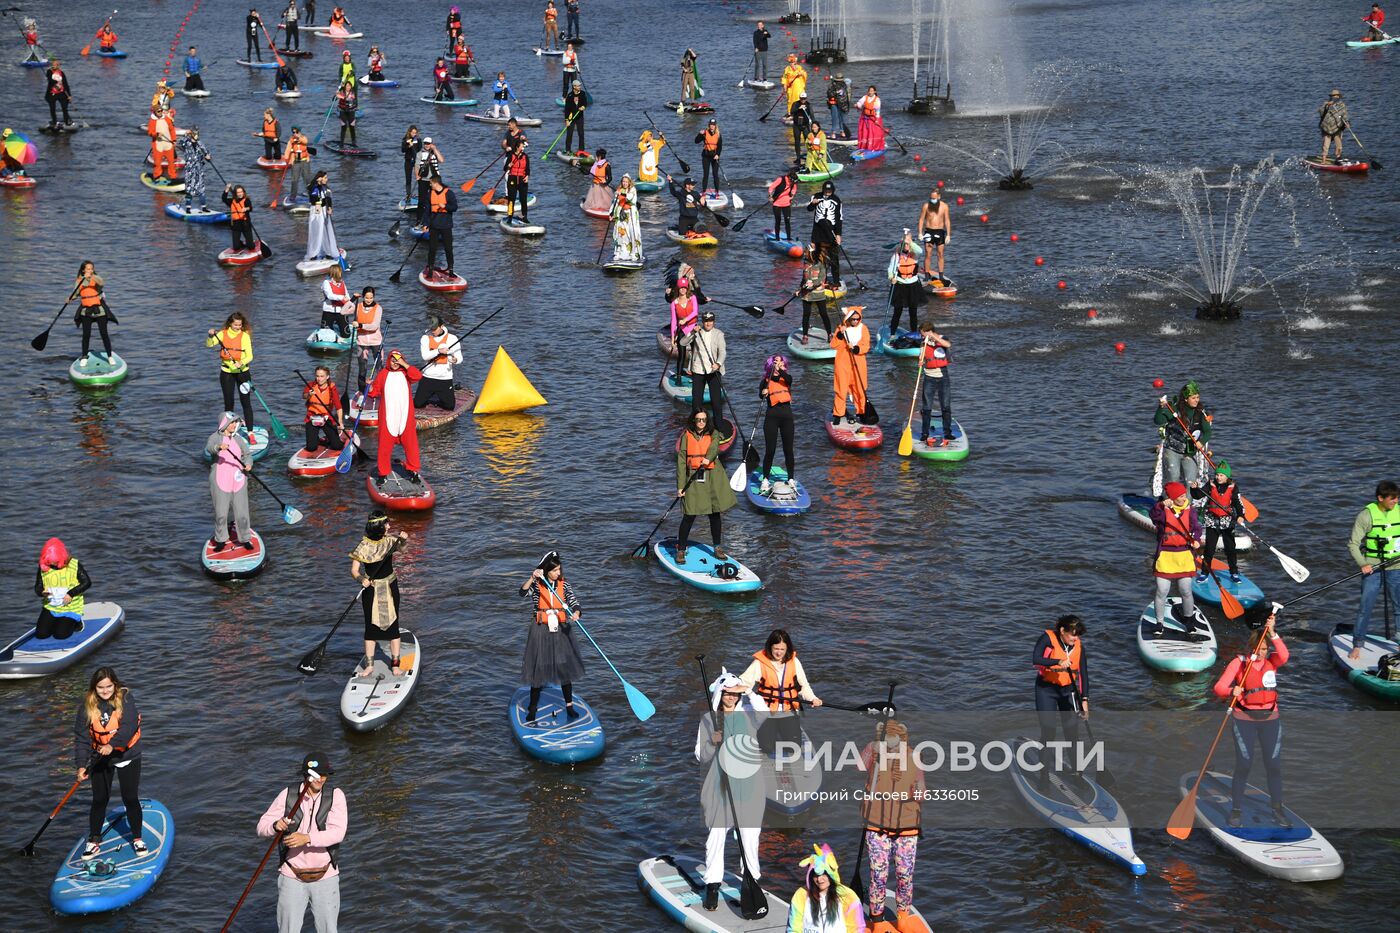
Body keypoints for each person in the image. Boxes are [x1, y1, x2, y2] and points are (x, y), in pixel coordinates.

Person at [695, 671, 768, 911]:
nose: (730, 698)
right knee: (716, 835)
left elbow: (765, 712)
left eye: (734, 694)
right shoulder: (709, 719)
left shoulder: (749, 714)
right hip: (720, 783)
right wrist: (712, 741)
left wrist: (747, 690)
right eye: (726, 694)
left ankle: (751, 881)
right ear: (719, 694)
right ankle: (713, 886)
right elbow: (701, 756)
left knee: (750, 836)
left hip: (749, 782)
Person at [1212, 610, 1289, 828]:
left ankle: (1277, 810)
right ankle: (1236, 810)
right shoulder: (1239, 664)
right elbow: (1218, 688)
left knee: (1273, 765)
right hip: (1244, 719)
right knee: (1244, 764)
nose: (1263, 653)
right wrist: (1232, 691)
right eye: (1259, 649)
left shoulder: (1273, 662)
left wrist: (1273, 633)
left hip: (1270, 719)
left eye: (1265, 649)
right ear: (1251, 648)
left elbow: (1284, 656)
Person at [256, 754, 347, 933]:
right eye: (315, 774)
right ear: (305, 775)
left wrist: (307, 838)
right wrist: (276, 826)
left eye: (324, 774)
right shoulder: (287, 794)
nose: (320, 779)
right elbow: (261, 827)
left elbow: (338, 833)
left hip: (326, 876)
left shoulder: (336, 796)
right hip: (291, 876)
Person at [860, 719, 925, 929]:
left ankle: (903, 916)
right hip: (877, 827)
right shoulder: (874, 752)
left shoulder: (914, 756)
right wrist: (872, 748)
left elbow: (922, 789)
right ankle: (877, 919)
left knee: (905, 875)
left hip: (906, 827)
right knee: (877, 875)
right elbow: (859, 765)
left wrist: (918, 792)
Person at [74, 667, 144, 860]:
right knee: (99, 800)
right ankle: (94, 840)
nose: (105, 691)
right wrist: (81, 765)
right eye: (100, 687)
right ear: (94, 688)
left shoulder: (126, 700)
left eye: (109, 686)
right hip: (100, 758)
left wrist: (112, 746)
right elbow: (81, 738)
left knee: (130, 798)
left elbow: (129, 727)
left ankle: (137, 838)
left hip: (127, 755)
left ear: (115, 684)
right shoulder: (87, 706)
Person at [518, 551, 587, 723]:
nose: (558, 573)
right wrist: (532, 577)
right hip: (540, 629)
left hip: (561, 629)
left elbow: (574, 602)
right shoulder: (536, 584)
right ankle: (532, 709)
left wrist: (577, 612)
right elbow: (521, 592)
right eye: (555, 570)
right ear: (547, 570)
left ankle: (569, 707)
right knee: (539, 669)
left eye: (559, 570)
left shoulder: (563, 585)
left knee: (564, 668)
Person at [1032, 614, 1089, 790]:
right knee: (1048, 733)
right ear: (1062, 631)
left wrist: (1084, 700)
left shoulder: (1078, 646)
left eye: (1078, 635)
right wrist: (1058, 661)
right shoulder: (1047, 638)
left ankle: (1077, 774)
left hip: (1068, 692)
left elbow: (1085, 675)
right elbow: (1036, 659)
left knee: (1072, 735)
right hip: (1046, 691)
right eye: (1073, 634)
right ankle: (1044, 776)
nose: (1076, 638)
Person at [739, 629, 821, 751]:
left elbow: (804, 686)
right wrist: (731, 688)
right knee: (766, 747)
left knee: (793, 747)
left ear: (787, 648)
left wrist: (813, 698)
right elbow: (744, 682)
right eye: (776, 649)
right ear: (770, 647)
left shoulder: (794, 662)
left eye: (782, 649)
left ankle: (783, 731)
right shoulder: (759, 663)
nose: (779, 653)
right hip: (767, 712)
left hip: (789, 711)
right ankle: (768, 733)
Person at [349, 510, 408, 674]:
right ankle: (369, 666)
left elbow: (403, 550)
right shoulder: (363, 546)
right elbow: (354, 570)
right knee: (370, 629)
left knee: (393, 627)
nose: (389, 526)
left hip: (390, 587)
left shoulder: (390, 541)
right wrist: (361, 579)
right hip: (371, 590)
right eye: (387, 524)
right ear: (379, 527)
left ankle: (395, 666)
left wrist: (403, 540)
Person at [1347, 480, 1400, 659]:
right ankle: (1357, 645)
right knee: (1365, 607)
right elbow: (1353, 544)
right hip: (1373, 569)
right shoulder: (1366, 516)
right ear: (1380, 498)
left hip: (1396, 566)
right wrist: (1363, 563)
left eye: (1397, 498)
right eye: (1392, 499)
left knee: (1399, 607)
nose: (1396, 502)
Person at [676, 410, 736, 561]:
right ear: (693, 421)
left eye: (703, 420)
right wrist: (680, 486)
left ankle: (717, 547)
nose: (701, 423)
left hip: (712, 477)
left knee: (714, 513)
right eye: (698, 420)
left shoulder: (714, 433)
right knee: (689, 514)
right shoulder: (686, 436)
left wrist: (707, 459)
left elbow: (714, 447)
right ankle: (681, 549)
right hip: (694, 477)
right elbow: (682, 461)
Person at [1150, 482, 1203, 634]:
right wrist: (1160, 506)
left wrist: (1197, 538)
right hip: (1165, 557)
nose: (1183, 498)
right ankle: (1159, 623)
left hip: (1184, 556)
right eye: (1179, 496)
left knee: (1186, 590)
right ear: (1172, 498)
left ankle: (1189, 621)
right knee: (1162, 591)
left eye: (1184, 495)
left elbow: (1196, 528)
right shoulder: (1163, 510)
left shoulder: (1190, 510)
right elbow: (1153, 517)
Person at [366, 350, 423, 486]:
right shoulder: (383, 374)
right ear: (388, 361)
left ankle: (413, 471)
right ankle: (383, 473)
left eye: (398, 360)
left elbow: (418, 376)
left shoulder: (406, 373)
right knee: (384, 447)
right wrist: (369, 387)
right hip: (388, 417)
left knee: (411, 445)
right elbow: (374, 392)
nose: (395, 363)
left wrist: (405, 364)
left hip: (405, 416)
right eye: (393, 360)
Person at [788, 844, 865, 932]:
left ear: (831, 873)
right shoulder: (801, 894)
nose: (820, 880)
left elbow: (856, 929)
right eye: (815, 875)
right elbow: (794, 928)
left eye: (824, 874)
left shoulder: (848, 896)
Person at [206, 412, 254, 550]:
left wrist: (249, 464)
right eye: (231, 422)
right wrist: (218, 447)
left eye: (235, 423)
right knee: (221, 514)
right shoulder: (215, 438)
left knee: (242, 513)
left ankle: (245, 538)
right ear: (224, 424)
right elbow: (209, 448)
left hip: (238, 480)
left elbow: (247, 455)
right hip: (220, 480)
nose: (234, 425)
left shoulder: (238, 439)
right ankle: (221, 539)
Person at [1192, 461, 1244, 584]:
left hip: (1227, 521)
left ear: (1227, 477)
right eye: (1217, 475)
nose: (1218, 477)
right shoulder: (1210, 485)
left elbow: (1238, 503)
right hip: (1212, 519)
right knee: (1209, 549)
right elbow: (1198, 495)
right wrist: (1194, 489)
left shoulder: (1233, 487)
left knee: (1230, 548)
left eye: (1221, 475)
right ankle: (1204, 573)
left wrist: (1241, 515)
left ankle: (1234, 573)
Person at [1154, 381, 1212, 488]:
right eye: (1193, 398)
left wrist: (1202, 442)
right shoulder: (1174, 408)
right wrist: (1161, 407)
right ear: (1186, 399)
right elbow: (1158, 420)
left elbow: (1208, 431)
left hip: (1190, 452)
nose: (1196, 400)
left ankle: (1187, 504)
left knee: (1191, 483)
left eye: (1198, 397)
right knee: (1174, 478)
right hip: (1172, 449)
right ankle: (1168, 501)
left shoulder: (1201, 412)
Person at [34, 537, 90, 640]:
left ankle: (77, 623)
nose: (51, 564)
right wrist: (42, 592)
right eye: (49, 562)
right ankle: (56, 622)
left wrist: (71, 593)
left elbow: (87, 583)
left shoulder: (74, 565)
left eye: (54, 562)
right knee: (41, 634)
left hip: (70, 607)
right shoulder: (44, 567)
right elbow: (37, 587)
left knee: (60, 635)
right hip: (51, 607)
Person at [206, 312, 257, 427]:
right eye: (235, 325)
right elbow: (209, 345)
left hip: (242, 373)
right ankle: (228, 430)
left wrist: (241, 362)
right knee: (229, 404)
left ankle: (250, 432)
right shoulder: (222, 334)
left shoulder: (245, 336)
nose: (238, 327)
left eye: (240, 325)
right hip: (226, 373)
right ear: (230, 323)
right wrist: (210, 336)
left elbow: (250, 356)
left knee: (246, 403)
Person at [757, 355, 796, 496]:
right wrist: (763, 393)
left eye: (780, 362)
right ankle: (765, 479)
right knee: (770, 450)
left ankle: (791, 478)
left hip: (787, 417)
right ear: (770, 365)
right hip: (771, 417)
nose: (777, 364)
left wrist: (781, 370)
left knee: (788, 450)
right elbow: (760, 395)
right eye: (775, 362)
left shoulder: (786, 378)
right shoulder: (765, 381)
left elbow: (789, 380)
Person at [681, 309, 726, 427]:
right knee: (696, 402)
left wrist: (718, 363)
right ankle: (694, 426)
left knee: (716, 403)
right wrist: (691, 332)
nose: (708, 323)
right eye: (706, 321)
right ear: (702, 321)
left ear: (714, 321)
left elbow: (722, 352)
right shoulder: (697, 332)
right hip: (698, 370)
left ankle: (719, 428)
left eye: (710, 321)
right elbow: (682, 343)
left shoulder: (719, 334)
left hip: (714, 371)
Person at [831, 306, 871, 425]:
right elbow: (833, 345)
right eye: (853, 319)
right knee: (841, 389)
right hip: (843, 362)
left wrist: (857, 349)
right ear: (848, 318)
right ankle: (838, 414)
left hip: (858, 362)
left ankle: (862, 413)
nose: (855, 321)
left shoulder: (863, 329)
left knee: (860, 389)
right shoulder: (841, 328)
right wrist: (839, 335)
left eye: (857, 319)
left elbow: (866, 346)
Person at [73, 261, 116, 365]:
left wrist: (91, 276)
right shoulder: (79, 280)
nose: (90, 270)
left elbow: (101, 283)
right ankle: (84, 356)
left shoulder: (96, 278)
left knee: (104, 334)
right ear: (83, 270)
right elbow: (75, 294)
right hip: (86, 311)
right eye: (88, 269)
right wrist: (70, 299)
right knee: (86, 335)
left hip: (99, 310)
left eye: (92, 269)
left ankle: (110, 356)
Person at [918, 323, 953, 448]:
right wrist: (920, 361)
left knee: (946, 405)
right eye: (922, 335)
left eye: (924, 334)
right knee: (927, 407)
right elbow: (921, 356)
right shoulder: (923, 343)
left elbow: (947, 345)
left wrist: (933, 336)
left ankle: (947, 432)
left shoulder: (943, 338)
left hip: (943, 376)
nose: (923, 337)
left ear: (930, 331)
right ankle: (925, 433)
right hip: (929, 377)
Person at [416, 315, 461, 410]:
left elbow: (459, 358)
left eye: (435, 329)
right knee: (418, 404)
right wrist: (439, 351)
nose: (433, 331)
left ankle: (440, 397)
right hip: (428, 377)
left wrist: (455, 360)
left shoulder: (452, 339)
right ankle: (431, 396)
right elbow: (425, 356)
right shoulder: (425, 338)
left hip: (444, 378)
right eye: (431, 328)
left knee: (449, 407)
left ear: (441, 326)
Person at [302, 365, 345, 453]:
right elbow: (304, 396)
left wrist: (340, 422)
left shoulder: (331, 388)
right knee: (311, 448)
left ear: (327, 377)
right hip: (312, 418)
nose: (319, 379)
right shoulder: (311, 385)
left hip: (326, 418)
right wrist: (309, 395)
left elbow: (338, 407)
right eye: (317, 376)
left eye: (322, 376)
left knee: (337, 446)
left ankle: (332, 439)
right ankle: (316, 439)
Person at [886, 233, 924, 334]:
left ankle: (914, 333)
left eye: (908, 244)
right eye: (905, 244)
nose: (906, 246)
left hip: (913, 285)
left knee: (913, 312)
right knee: (897, 312)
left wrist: (909, 241)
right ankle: (892, 333)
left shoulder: (915, 253)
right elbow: (890, 268)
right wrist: (891, 278)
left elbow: (921, 250)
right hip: (900, 285)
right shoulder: (896, 255)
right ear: (901, 244)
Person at [808, 181, 843, 285]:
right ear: (823, 189)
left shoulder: (837, 200)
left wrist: (838, 234)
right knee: (817, 257)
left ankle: (836, 281)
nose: (828, 192)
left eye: (830, 191)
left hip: (831, 233)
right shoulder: (816, 196)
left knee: (834, 258)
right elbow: (809, 209)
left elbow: (839, 218)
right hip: (818, 232)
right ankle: (820, 280)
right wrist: (812, 203)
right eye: (826, 190)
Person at [351, 286, 384, 395]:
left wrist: (360, 325)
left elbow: (374, 326)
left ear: (373, 297)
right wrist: (352, 299)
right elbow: (343, 311)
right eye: (366, 298)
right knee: (362, 369)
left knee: (379, 366)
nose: (369, 300)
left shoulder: (378, 308)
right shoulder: (358, 306)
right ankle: (361, 391)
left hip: (376, 342)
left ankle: (381, 389)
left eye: (371, 298)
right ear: (363, 297)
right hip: (361, 342)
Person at [424, 175, 458, 278]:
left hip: (446, 225)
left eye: (430, 183)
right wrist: (425, 224)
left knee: (448, 248)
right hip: (434, 225)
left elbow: (455, 207)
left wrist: (445, 206)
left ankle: (450, 269)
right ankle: (430, 269)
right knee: (432, 248)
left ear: (435, 183)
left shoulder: (449, 193)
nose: (429, 185)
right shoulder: (430, 194)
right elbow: (427, 211)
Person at [798, 246, 834, 340]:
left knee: (823, 314)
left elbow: (821, 279)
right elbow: (803, 279)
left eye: (806, 252)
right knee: (806, 314)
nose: (805, 254)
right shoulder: (805, 264)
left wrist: (812, 284)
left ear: (811, 254)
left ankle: (829, 334)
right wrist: (799, 289)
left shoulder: (821, 265)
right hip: (807, 295)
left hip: (819, 295)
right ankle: (805, 335)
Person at [305, 170, 340, 267]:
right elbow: (313, 197)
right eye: (325, 178)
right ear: (319, 178)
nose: (327, 179)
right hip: (316, 211)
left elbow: (328, 198)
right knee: (316, 231)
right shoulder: (314, 187)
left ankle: (329, 252)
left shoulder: (326, 188)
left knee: (326, 231)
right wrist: (317, 183)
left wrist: (330, 207)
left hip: (324, 210)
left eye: (326, 178)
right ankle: (313, 254)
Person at [917, 187, 951, 279]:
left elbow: (947, 221)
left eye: (934, 198)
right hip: (929, 231)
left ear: (939, 197)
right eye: (931, 198)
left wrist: (948, 235)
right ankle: (927, 275)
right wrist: (920, 233)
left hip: (940, 232)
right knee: (928, 254)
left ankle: (941, 275)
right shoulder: (926, 206)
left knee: (940, 254)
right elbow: (921, 220)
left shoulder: (944, 206)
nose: (932, 200)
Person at [669, 277, 701, 373]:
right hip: (682, 330)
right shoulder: (674, 303)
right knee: (681, 355)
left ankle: (696, 374)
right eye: (681, 288)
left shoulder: (692, 298)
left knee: (696, 353)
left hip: (693, 328)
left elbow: (695, 312)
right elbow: (674, 321)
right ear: (678, 289)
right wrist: (672, 337)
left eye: (684, 287)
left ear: (687, 288)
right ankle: (679, 377)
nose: (683, 289)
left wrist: (685, 320)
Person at [176, 127, 212, 211]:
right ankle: (188, 207)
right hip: (190, 169)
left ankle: (204, 207)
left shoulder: (200, 143)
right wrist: (186, 134)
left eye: (197, 134)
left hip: (199, 168)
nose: (196, 135)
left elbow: (206, 152)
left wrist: (208, 156)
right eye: (195, 133)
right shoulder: (186, 142)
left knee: (201, 188)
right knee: (189, 187)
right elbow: (180, 142)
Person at [610, 174, 643, 264]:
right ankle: (618, 253)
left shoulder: (632, 190)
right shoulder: (619, 190)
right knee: (620, 232)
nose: (624, 183)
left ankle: (633, 253)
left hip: (631, 214)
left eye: (626, 182)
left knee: (632, 233)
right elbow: (614, 203)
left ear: (629, 183)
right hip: (621, 214)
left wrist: (620, 193)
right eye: (623, 182)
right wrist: (611, 213)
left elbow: (629, 197)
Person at [414, 136, 443, 229]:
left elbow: (442, 160)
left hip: (435, 181)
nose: (427, 145)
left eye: (428, 143)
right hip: (423, 180)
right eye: (425, 143)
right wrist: (417, 176)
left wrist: (435, 149)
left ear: (431, 144)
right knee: (422, 201)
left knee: (436, 200)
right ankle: (419, 221)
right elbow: (416, 166)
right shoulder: (419, 154)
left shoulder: (435, 152)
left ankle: (435, 220)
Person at [147, 106, 178, 185]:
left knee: (171, 162)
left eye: (161, 111)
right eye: (158, 111)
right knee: (157, 162)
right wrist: (156, 134)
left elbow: (172, 130)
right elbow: (150, 132)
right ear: (155, 112)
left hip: (168, 144)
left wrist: (174, 140)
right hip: (158, 144)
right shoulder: (152, 121)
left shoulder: (167, 119)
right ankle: (157, 177)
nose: (160, 112)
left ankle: (173, 177)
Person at [223, 184, 256, 254]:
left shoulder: (247, 200)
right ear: (235, 193)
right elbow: (224, 199)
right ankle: (240, 243)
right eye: (238, 192)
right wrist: (227, 189)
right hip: (235, 225)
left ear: (243, 192)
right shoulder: (232, 201)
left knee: (251, 247)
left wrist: (246, 208)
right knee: (236, 247)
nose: (240, 194)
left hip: (245, 224)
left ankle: (249, 242)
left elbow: (250, 207)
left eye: (241, 192)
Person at [1318, 89, 1349, 163]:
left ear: (1339, 96)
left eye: (1336, 96)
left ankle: (1338, 159)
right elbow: (1320, 112)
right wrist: (1327, 106)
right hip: (1327, 127)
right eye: (1333, 96)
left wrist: (1347, 123)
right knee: (1326, 145)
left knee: (1339, 145)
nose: (1335, 97)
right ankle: (1323, 161)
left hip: (1337, 128)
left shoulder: (1342, 105)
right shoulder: (1326, 104)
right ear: (1331, 96)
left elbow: (1345, 115)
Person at [320, 265, 352, 337]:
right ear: (336, 273)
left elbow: (347, 295)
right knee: (325, 333)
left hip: (342, 311)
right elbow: (330, 295)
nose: (342, 273)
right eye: (340, 272)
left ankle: (343, 336)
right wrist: (342, 298)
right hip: (329, 311)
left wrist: (349, 302)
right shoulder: (326, 283)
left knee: (346, 334)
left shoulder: (342, 283)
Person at [505, 138, 532, 224]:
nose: (523, 148)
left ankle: (525, 216)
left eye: (523, 146)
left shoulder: (525, 156)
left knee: (523, 199)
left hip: (522, 180)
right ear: (517, 147)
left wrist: (527, 176)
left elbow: (527, 169)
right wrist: (508, 166)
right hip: (512, 180)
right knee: (511, 200)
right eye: (521, 146)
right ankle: (510, 217)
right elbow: (505, 168)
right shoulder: (511, 156)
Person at [283, 126, 312, 201]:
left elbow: (305, 142)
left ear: (299, 132)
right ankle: (293, 195)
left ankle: (310, 193)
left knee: (307, 178)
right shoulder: (291, 141)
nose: (295, 134)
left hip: (305, 160)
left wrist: (299, 138)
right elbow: (287, 151)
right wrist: (287, 160)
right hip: (296, 161)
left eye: (296, 132)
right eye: (293, 132)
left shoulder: (303, 138)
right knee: (294, 179)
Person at [768, 168, 797, 241]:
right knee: (778, 220)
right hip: (777, 203)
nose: (792, 183)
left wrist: (792, 196)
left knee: (787, 221)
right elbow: (771, 188)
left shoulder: (793, 182)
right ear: (789, 177)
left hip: (786, 204)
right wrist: (770, 196)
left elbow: (794, 189)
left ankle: (789, 238)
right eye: (791, 181)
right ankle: (777, 238)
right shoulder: (781, 179)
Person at [582, 146, 613, 214]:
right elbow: (587, 173)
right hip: (595, 185)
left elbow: (610, 178)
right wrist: (580, 167)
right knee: (595, 200)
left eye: (596, 156)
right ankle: (594, 206)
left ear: (599, 157)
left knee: (604, 201)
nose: (595, 158)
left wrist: (605, 183)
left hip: (603, 186)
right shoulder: (595, 164)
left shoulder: (607, 166)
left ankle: (606, 209)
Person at [695, 119, 722, 195]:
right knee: (705, 174)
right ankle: (704, 192)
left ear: (715, 125)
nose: (712, 126)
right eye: (710, 124)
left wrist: (718, 155)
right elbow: (696, 141)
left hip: (714, 157)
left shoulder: (718, 135)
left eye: (713, 124)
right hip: (706, 157)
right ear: (708, 125)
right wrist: (699, 134)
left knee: (715, 174)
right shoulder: (704, 133)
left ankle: (717, 192)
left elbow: (720, 147)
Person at [856, 85, 883, 152]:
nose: (870, 92)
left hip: (873, 119)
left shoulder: (877, 100)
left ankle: (872, 146)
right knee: (864, 132)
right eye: (869, 91)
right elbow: (859, 103)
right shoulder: (865, 97)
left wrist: (877, 119)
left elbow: (878, 111)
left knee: (872, 133)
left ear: (874, 91)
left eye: (872, 91)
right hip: (864, 118)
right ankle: (864, 146)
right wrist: (857, 105)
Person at [790, 92, 815, 166]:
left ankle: (809, 156)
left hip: (805, 126)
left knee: (807, 141)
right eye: (801, 99)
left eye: (804, 99)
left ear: (806, 98)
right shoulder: (795, 104)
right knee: (797, 141)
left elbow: (812, 115)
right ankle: (798, 158)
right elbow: (792, 112)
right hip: (797, 125)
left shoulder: (808, 105)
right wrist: (798, 109)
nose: (803, 100)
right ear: (799, 98)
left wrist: (814, 124)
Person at [563, 79, 587, 153]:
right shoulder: (570, 96)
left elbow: (585, 102)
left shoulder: (582, 93)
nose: (580, 87)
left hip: (579, 117)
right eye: (578, 86)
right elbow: (566, 109)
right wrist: (567, 120)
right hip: (571, 118)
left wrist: (583, 107)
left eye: (580, 85)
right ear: (574, 87)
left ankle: (581, 150)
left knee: (581, 134)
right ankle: (568, 150)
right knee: (569, 134)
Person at [827, 72, 852, 139]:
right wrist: (836, 92)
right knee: (834, 118)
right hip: (834, 104)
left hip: (843, 104)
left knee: (842, 119)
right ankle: (833, 132)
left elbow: (848, 94)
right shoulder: (832, 85)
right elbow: (829, 94)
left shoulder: (845, 85)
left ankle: (842, 131)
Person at [400, 125, 421, 205]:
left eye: (415, 133)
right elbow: (402, 150)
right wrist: (409, 146)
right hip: (408, 161)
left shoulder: (418, 139)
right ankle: (408, 195)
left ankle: (421, 194)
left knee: (419, 178)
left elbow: (420, 149)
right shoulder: (405, 139)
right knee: (408, 179)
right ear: (409, 132)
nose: (414, 134)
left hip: (416, 161)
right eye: (413, 133)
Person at [335, 79, 359, 145]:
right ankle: (341, 143)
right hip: (343, 111)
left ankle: (354, 143)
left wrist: (344, 97)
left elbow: (351, 97)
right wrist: (338, 92)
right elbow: (336, 96)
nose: (348, 87)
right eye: (347, 86)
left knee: (352, 127)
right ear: (345, 86)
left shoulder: (353, 92)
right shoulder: (342, 91)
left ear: (351, 87)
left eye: (349, 86)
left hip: (351, 111)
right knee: (344, 127)